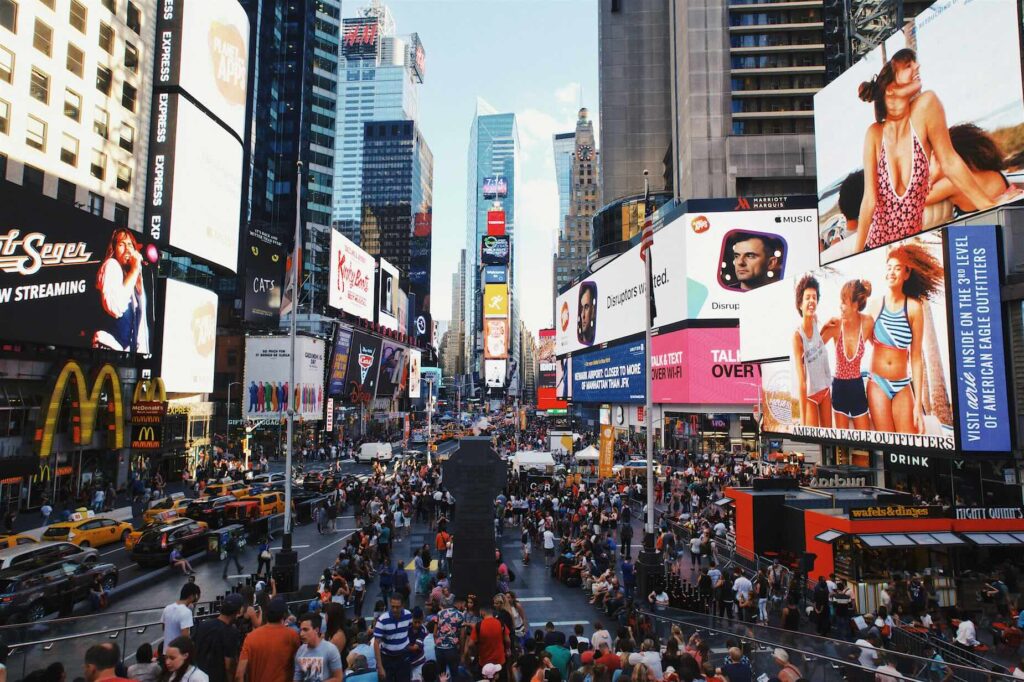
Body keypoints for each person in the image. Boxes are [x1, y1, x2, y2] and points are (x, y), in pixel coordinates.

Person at [855, 49, 997, 254]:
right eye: (907, 65)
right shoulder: (874, 134)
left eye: (915, 63)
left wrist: (990, 207)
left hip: (909, 249)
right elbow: (869, 199)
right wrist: (857, 255)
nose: (917, 67)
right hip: (875, 248)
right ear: (891, 89)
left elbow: (950, 162)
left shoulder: (925, 106)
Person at [865, 242, 943, 434]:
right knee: (888, 442)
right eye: (889, 267)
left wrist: (918, 405)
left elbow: (916, 357)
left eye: (897, 268)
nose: (891, 272)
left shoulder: (914, 308)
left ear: (906, 274)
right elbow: (863, 340)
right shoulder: (875, 305)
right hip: (877, 382)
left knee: (908, 439)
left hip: (902, 384)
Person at [821, 280, 874, 430]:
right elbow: (813, 349)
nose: (840, 306)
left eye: (844, 302)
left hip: (857, 387)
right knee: (841, 447)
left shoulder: (867, 322)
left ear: (855, 305)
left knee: (864, 441)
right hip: (839, 388)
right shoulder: (835, 325)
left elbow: (879, 346)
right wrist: (824, 327)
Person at [93, 228, 150, 353]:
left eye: (130, 245)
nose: (127, 249)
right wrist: (134, 270)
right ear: (114, 248)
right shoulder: (111, 265)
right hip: (107, 345)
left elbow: (141, 325)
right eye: (121, 244)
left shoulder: (133, 278)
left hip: (127, 351)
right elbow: (116, 307)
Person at [792, 275, 833, 428]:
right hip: (810, 396)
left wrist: (826, 327)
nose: (811, 301)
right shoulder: (797, 336)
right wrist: (802, 422)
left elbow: (816, 344)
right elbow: (801, 381)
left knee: (829, 439)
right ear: (800, 303)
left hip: (825, 390)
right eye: (807, 297)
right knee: (813, 438)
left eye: (814, 297)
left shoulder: (815, 320)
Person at [235, 596, 300, 682]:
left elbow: (239, 675)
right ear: (284, 615)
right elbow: (299, 667)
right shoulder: (292, 635)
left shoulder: (251, 637)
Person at [192, 593, 243, 682]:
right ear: (238, 612)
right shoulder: (231, 632)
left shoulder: (203, 625)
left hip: (199, 676)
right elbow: (228, 665)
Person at [293, 612, 343, 682]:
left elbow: (338, 678)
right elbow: (297, 677)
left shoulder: (331, 649)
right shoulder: (300, 651)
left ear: (316, 630)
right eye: (301, 630)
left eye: (305, 630)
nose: (301, 634)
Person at [374, 594, 413, 682]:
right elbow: (376, 643)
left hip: (403, 657)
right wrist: (380, 667)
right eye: (393, 607)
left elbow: (410, 630)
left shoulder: (408, 615)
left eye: (397, 607)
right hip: (387, 659)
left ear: (402, 606)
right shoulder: (382, 620)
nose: (395, 610)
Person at [162, 583, 201, 650]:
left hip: (167, 650)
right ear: (191, 596)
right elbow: (185, 637)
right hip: (178, 653)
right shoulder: (186, 612)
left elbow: (164, 628)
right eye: (195, 596)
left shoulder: (167, 608)